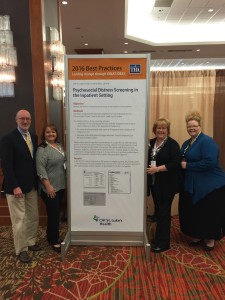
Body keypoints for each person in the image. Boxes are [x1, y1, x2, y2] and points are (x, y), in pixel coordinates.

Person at [179, 111, 225, 251]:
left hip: (211, 184)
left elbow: (209, 162)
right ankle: (198, 234)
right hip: (194, 183)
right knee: (196, 211)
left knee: (208, 212)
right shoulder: (187, 143)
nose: (191, 128)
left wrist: (188, 165)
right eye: (189, 126)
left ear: (200, 126)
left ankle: (210, 238)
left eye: (194, 126)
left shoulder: (207, 141)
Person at [0, 109, 40, 263]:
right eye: (22, 119)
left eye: (28, 119)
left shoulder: (34, 137)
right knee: (19, 220)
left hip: (31, 186)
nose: (25, 121)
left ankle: (30, 242)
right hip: (16, 187)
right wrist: (15, 186)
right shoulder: (8, 138)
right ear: (16, 120)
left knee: (33, 216)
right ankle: (21, 249)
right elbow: (6, 165)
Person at [147, 118, 181, 253]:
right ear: (154, 130)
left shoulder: (172, 144)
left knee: (164, 213)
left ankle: (163, 243)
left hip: (168, 185)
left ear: (168, 130)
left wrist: (158, 169)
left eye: (164, 128)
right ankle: (159, 237)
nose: (161, 130)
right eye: (158, 128)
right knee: (159, 211)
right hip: (155, 184)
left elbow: (176, 163)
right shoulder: (150, 143)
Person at [36, 124, 66, 253]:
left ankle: (50, 236)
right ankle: (54, 240)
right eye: (48, 132)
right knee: (53, 214)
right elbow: (40, 169)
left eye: (53, 132)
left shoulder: (59, 146)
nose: (51, 134)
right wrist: (48, 186)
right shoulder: (42, 149)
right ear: (44, 135)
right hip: (50, 188)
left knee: (56, 212)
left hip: (60, 186)